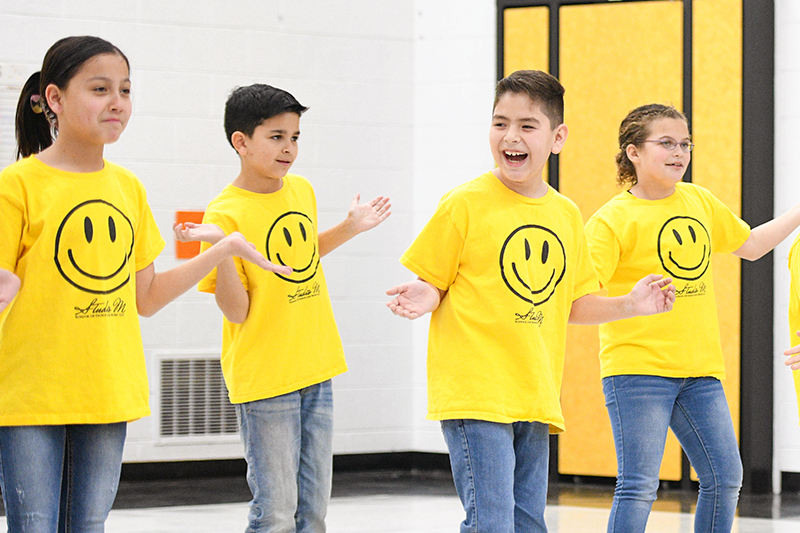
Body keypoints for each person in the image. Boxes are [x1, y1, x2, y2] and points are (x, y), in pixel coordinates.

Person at [0, 36, 284, 533]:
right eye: (99, 88)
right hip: (30, 393)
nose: (117, 103)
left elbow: (146, 297)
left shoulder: (128, 187)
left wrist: (223, 250)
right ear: (54, 99)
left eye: (125, 90)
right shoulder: (16, 186)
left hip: (107, 388)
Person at [385, 70, 675, 533]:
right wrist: (426, 292)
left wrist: (630, 305)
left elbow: (573, 303)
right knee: (492, 523)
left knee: (528, 524)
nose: (510, 136)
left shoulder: (564, 213)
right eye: (500, 123)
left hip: (533, 394)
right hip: (475, 393)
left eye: (527, 125)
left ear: (557, 137)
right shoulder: (463, 203)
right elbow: (432, 280)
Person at [173, 83, 390, 533]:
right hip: (265, 377)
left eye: (295, 137)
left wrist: (350, 227)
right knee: (275, 511)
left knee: (312, 511)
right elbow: (235, 311)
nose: (289, 148)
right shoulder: (224, 212)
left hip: (315, 365)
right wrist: (222, 249)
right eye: (276, 137)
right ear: (241, 142)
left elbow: (299, 260)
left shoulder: (301, 191)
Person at [585, 103, 800, 533]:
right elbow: (578, 302)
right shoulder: (611, 221)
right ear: (634, 152)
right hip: (637, 371)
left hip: (700, 372)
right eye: (666, 143)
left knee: (725, 478)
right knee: (639, 486)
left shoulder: (698, 200)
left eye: (685, 144)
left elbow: (752, 245)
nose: (679, 152)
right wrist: (630, 302)